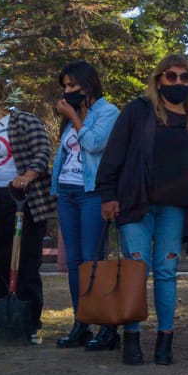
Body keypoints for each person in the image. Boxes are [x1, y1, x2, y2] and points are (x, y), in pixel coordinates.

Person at [97, 55, 188, 366]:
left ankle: (165, 340)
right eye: (171, 76)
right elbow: (114, 154)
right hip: (136, 204)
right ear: (159, 79)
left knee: (166, 273)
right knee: (135, 271)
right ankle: (131, 338)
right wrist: (108, 195)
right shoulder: (138, 111)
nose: (178, 82)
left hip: (175, 209)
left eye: (184, 78)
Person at [0, 73, 55, 345]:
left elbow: (42, 151)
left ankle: (30, 321)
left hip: (24, 198)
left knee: (26, 262)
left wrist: (28, 175)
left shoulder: (22, 120)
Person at [50, 61, 120, 349]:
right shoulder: (72, 114)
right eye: (64, 87)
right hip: (67, 192)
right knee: (75, 261)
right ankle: (81, 323)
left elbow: (94, 144)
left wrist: (74, 117)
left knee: (94, 260)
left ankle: (107, 325)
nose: (67, 92)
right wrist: (71, 116)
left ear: (87, 85)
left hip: (92, 193)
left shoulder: (108, 112)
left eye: (72, 86)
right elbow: (66, 151)